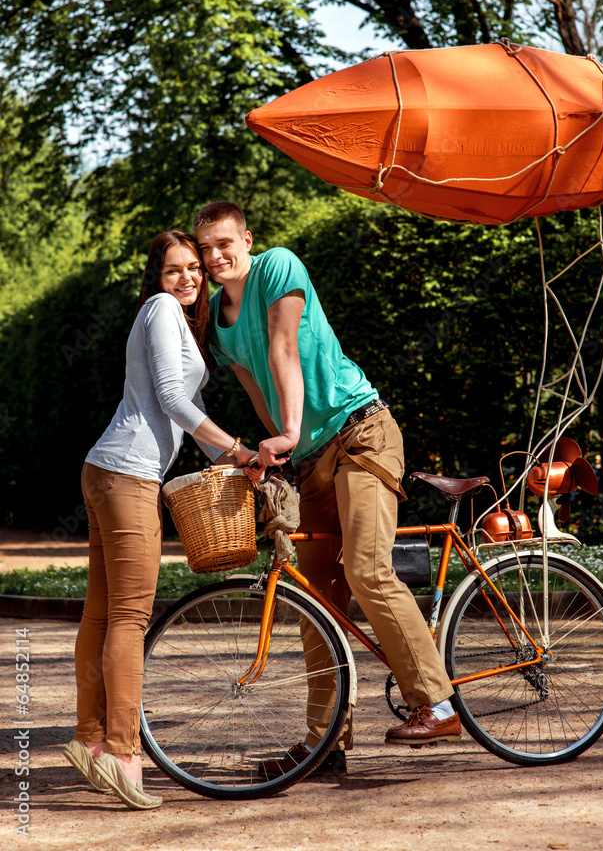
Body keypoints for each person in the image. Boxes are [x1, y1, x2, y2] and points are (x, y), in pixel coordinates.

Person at [192, 201, 460, 777]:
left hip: (361, 430)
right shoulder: (216, 318)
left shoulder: (278, 267)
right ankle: (325, 743)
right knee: (315, 600)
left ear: (247, 237)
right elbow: (255, 383)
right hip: (310, 458)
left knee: (367, 567)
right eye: (206, 248)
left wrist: (287, 432)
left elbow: (284, 348)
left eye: (224, 243)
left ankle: (437, 703)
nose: (216, 257)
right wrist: (277, 448)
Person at [64, 230, 256, 810]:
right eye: (175, 270)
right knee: (129, 615)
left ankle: (89, 739)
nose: (189, 278)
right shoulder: (163, 310)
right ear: (158, 278)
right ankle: (124, 754)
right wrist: (236, 452)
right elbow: (174, 399)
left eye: (194, 268)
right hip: (128, 475)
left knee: (101, 614)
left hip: (106, 468)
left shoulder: (168, 317)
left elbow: (168, 403)